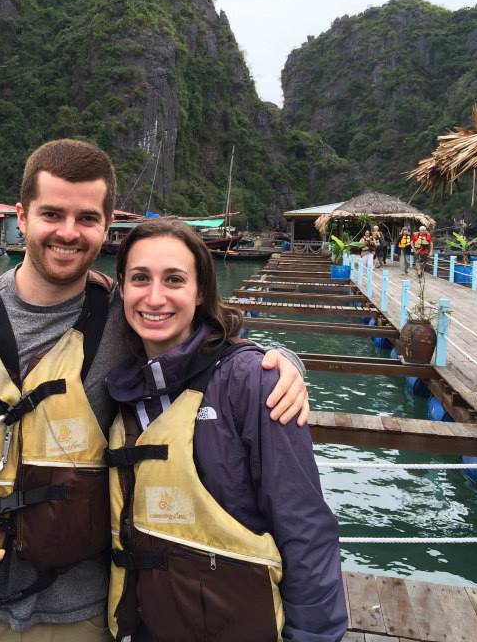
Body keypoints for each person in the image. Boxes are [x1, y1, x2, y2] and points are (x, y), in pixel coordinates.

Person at [0, 139, 310, 640]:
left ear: (107, 226)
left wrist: (285, 365)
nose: (67, 232)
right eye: (51, 214)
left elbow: (212, 345)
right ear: (22, 217)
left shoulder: (125, 322)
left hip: (81, 612)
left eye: (86, 218)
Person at [106, 219, 347, 642]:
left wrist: (313, 635)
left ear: (200, 292)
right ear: (121, 288)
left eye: (174, 280)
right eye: (140, 279)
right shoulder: (120, 384)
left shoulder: (253, 382)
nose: (155, 297)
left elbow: (304, 524)